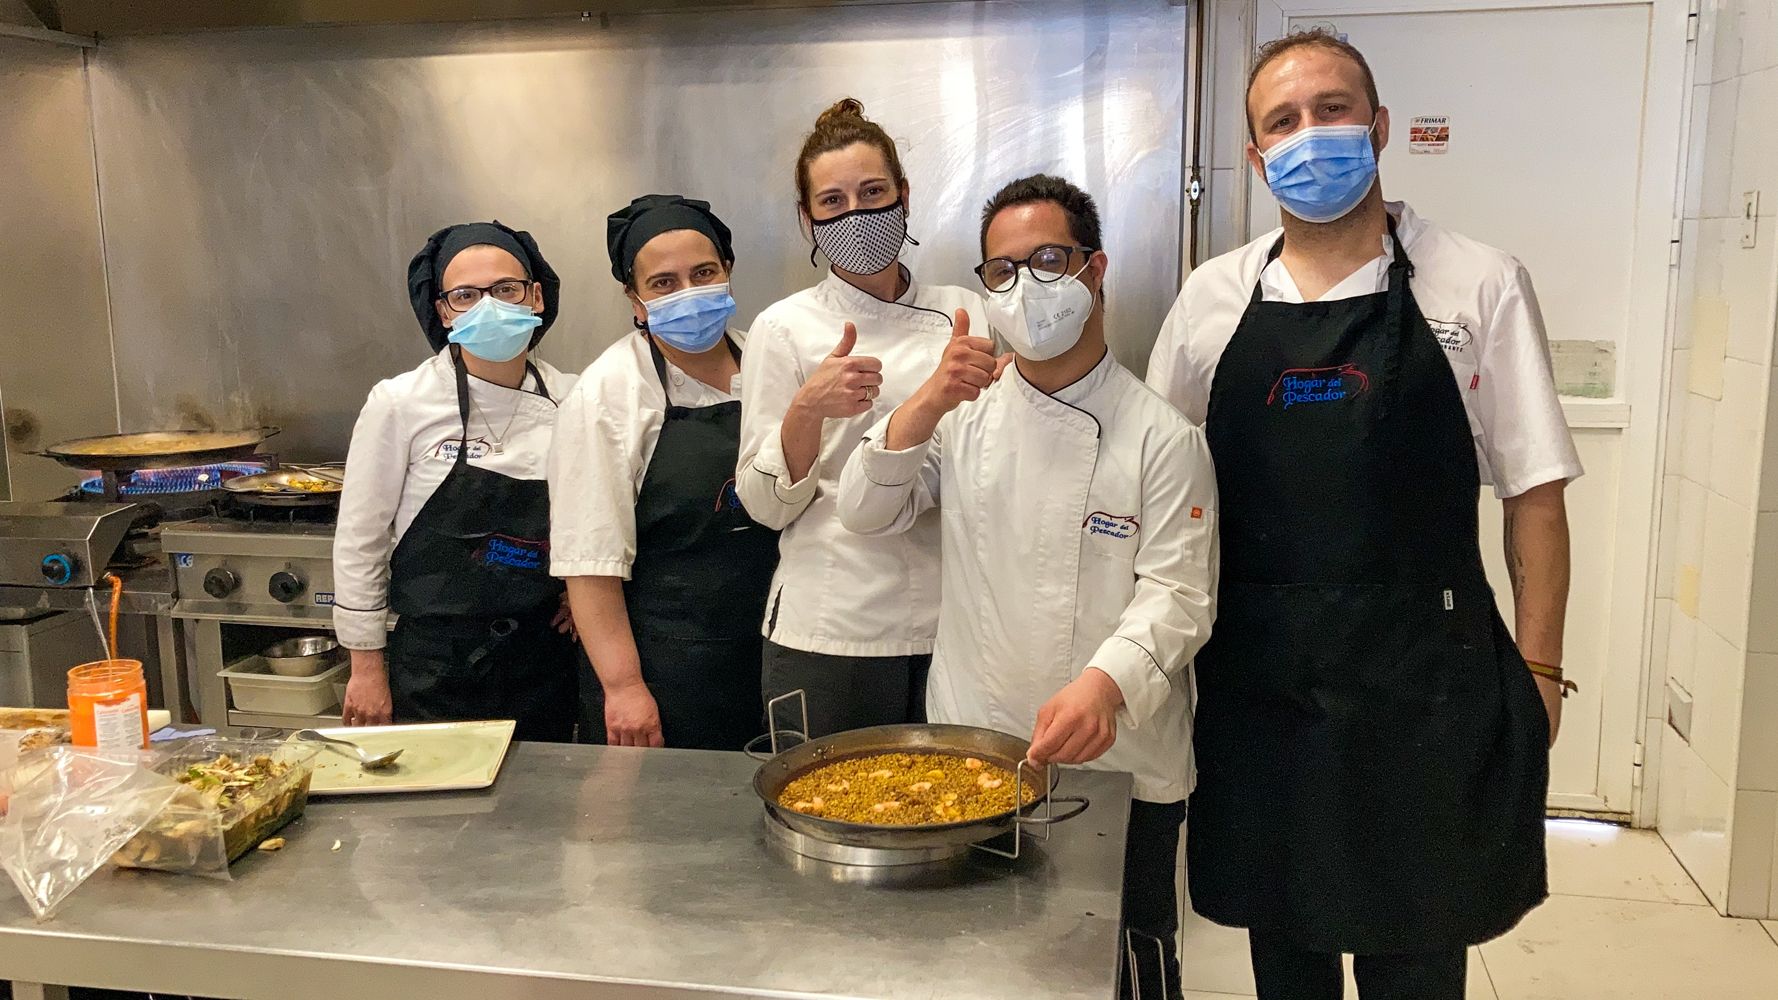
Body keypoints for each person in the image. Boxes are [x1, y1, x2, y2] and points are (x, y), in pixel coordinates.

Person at [1146, 30, 1581, 1000]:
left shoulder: (1474, 281)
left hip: (1424, 685)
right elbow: (1160, 486)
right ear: (1256, 159)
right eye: (1282, 121)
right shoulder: (1212, 301)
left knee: (1417, 954)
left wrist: (1542, 669)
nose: (1311, 135)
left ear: (1378, 127)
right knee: (1285, 952)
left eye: (1332, 110)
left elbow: (1534, 496)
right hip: (1264, 689)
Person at [839, 175, 1217, 1000]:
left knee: (1130, 958)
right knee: (982, 958)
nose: (1027, 286)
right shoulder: (963, 415)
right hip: (976, 743)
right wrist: (929, 399)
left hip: (1120, 755)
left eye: (1049, 259)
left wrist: (1105, 684)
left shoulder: (1163, 434)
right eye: (1002, 271)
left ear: (1096, 269)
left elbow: (1180, 593)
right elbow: (865, 509)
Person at [737, 98, 989, 738]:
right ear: (808, 218)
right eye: (833, 202)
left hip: (953, 620)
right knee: (828, 817)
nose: (856, 214)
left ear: (904, 196)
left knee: (949, 814)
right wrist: (805, 411)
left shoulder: (966, 311)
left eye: (873, 192)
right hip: (831, 626)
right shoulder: (785, 327)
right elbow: (765, 508)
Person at [548, 195, 778, 750]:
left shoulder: (769, 362)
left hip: (771, 656)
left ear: (727, 272)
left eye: (703, 273)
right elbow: (589, 565)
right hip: (665, 668)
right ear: (635, 298)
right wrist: (625, 688)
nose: (688, 293)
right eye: (663, 283)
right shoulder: (608, 393)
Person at [334, 221, 579, 742]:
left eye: (506, 289)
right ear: (444, 311)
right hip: (433, 668)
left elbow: (597, 524)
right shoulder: (400, 403)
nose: (489, 305)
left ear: (535, 297)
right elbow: (361, 543)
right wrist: (365, 668)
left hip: (542, 661)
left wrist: (581, 596)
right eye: (466, 295)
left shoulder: (574, 399)